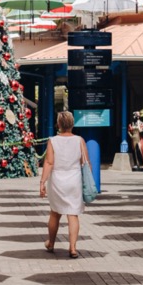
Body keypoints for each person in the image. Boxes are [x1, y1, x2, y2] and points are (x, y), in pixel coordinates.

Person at [39, 110, 91, 258]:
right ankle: (73, 248)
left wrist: (42, 182)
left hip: (57, 181)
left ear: (59, 124)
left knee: (55, 213)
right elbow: (86, 162)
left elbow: (49, 162)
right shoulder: (79, 140)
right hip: (74, 180)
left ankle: (51, 243)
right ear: (72, 124)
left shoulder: (53, 140)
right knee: (73, 214)